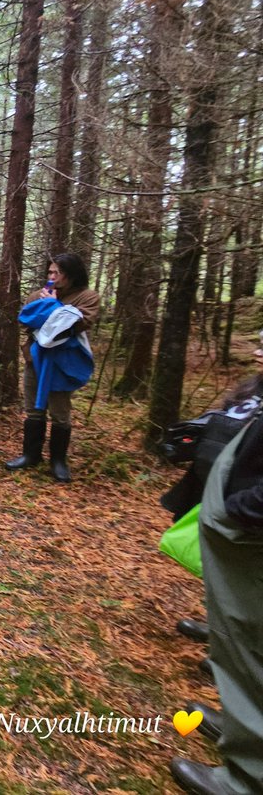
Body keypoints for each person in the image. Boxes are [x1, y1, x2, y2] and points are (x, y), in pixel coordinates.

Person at [170, 331, 263, 795]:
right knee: (246, 640)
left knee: (252, 640)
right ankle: (243, 720)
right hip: (244, 527)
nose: (260, 344)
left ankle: (247, 778)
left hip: (251, 528)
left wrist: (243, 508)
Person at [4, 253, 100, 482]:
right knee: (33, 409)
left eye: (58, 273)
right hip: (35, 359)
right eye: (50, 272)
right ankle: (30, 455)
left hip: (62, 363)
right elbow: (27, 319)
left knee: (59, 411)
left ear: (72, 275)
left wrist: (49, 306)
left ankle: (58, 461)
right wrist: (48, 307)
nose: (53, 277)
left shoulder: (87, 297)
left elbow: (76, 324)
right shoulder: (37, 296)